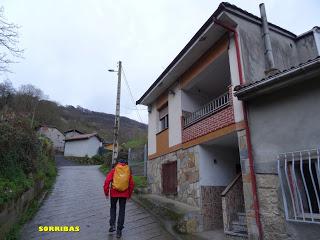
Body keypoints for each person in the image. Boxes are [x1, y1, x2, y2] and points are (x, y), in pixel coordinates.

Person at [103, 156, 134, 238]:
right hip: (124, 194)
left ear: (118, 163)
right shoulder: (128, 171)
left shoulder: (114, 170)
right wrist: (129, 195)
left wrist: (106, 193)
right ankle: (119, 231)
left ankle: (112, 225)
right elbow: (131, 184)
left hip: (114, 193)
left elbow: (107, 181)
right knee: (122, 211)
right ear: (126, 163)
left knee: (113, 208)